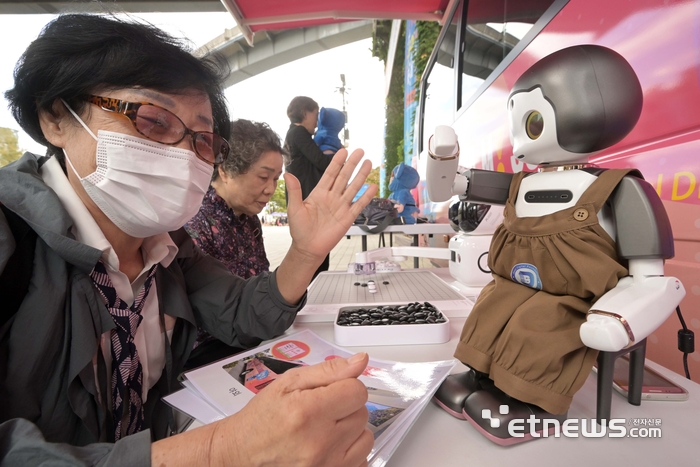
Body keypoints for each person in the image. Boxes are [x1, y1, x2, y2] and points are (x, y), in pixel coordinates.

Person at [0, 14, 377, 466]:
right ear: (57, 117)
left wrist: (305, 252)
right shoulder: (11, 244)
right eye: (154, 120)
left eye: (201, 140)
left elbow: (241, 312)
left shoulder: (169, 250)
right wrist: (223, 450)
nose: (182, 155)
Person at [183, 119, 288, 367]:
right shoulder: (196, 222)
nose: (271, 189)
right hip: (209, 355)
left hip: (253, 339)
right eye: (264, 177)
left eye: (276, 179)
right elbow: (213, 317)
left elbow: (262, 282)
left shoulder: (250, 220)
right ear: (225, 171)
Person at [284, 96, 334, 277]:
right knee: (316, 255)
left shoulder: (292, 134)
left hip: (302, 200)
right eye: (315, 114)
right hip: (307, 200)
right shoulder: (298, 134)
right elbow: (322, 162)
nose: (317, 120)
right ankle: (312, 296)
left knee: (313, 254)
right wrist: (338, 156)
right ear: (305, 112)